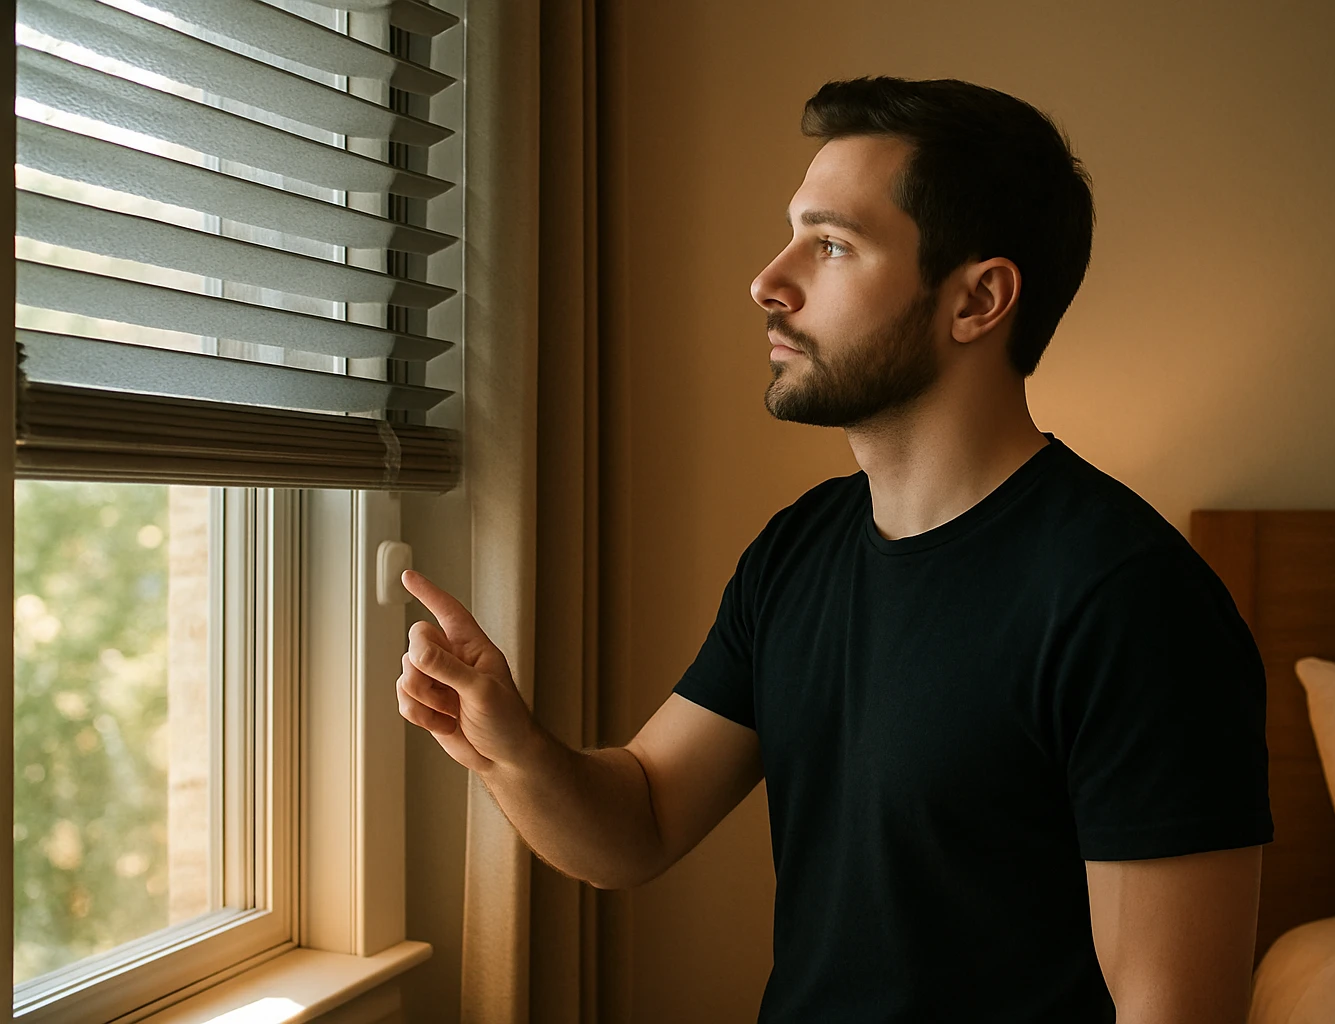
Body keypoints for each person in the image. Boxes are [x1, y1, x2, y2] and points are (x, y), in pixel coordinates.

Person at [397, 76, 1272, 1023]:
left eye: (832, 245)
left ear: (977, 300)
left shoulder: (1131, 603)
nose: (768, 281)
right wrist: (508, 745)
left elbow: (1171, 1012)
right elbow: (640, 823)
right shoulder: (799, 549)